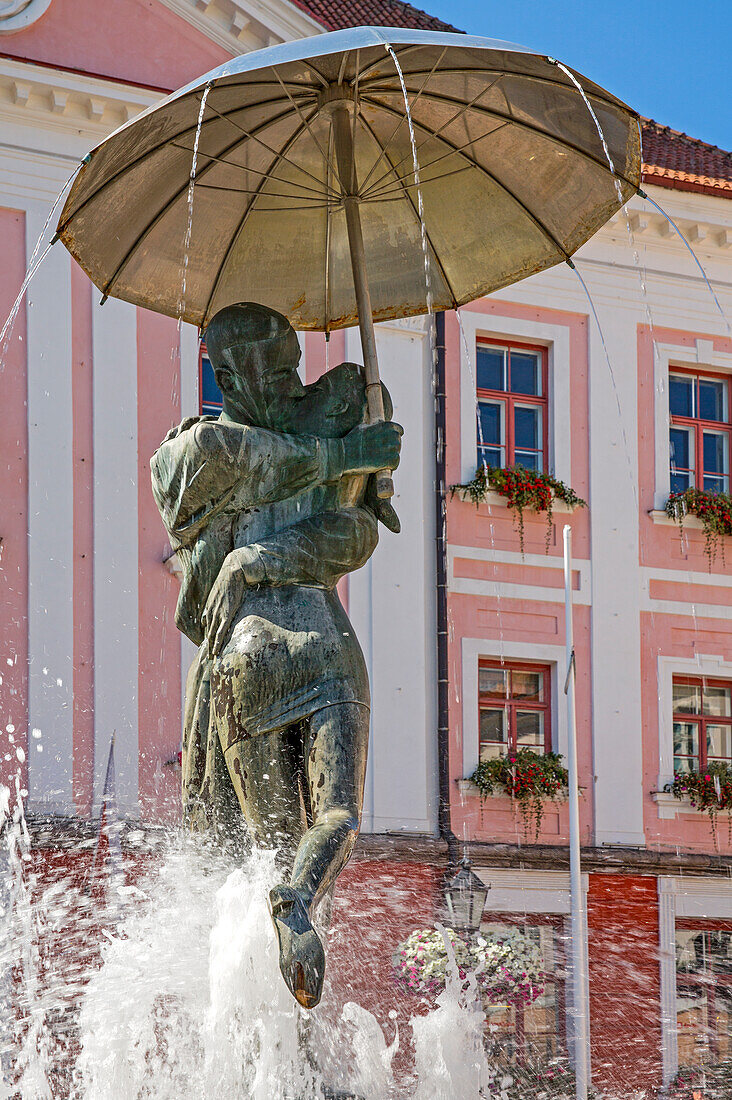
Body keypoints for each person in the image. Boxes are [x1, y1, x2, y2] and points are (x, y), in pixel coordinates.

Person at [151, 302, 402, 1008]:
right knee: (333, 824)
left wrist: (367, 467)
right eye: (281, 366)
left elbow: (357, 533)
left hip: (251, 659)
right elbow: (250, 467)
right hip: (324, 644)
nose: (295, 379)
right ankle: (296, 1026)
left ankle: (289, 947)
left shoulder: (317, 422)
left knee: (266, 853)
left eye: (297, 365)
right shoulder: (200, 449)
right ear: (227, 374)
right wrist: (353, 456)